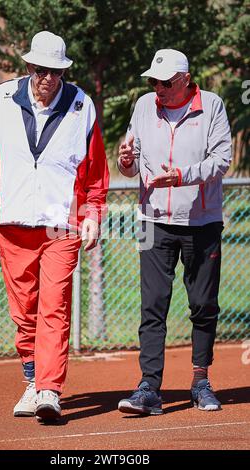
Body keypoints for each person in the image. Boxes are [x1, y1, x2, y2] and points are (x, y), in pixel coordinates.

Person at [0, 31, 109, 422]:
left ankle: (49, 389)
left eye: (54, 71)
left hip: (60, 226)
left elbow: (94, 170)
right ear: (28, 66)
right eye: (39, 69)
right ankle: (31, 378)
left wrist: (93, 213)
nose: (46, 78)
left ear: (63, 71)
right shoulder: (3, 98)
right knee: (24, 312)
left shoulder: (82, 105)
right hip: (12, 222)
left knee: (54, 307)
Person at [117, 49, 232, 415]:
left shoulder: (212, 106)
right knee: (152, 306)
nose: (158, 88)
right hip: (153, 221)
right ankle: (149, 387)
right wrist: (125, 162)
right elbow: (131, 166)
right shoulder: (143, 107)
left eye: (165, 82)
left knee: (202, 305)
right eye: (153, 81)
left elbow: (221, 161)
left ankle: (200, 381)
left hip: (201, 222)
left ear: (185, 79)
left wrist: (181, 176)